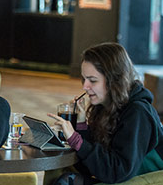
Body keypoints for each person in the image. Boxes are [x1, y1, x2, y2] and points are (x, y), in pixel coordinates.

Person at [48, 42, 163, 185]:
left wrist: (77, 140)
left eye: (93, 80)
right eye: (84, 79)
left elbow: (117, 171)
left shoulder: (138, 113)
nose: (85, 86)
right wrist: (82, 126)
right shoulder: (106, 105)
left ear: (114, 80)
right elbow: (95, 163)